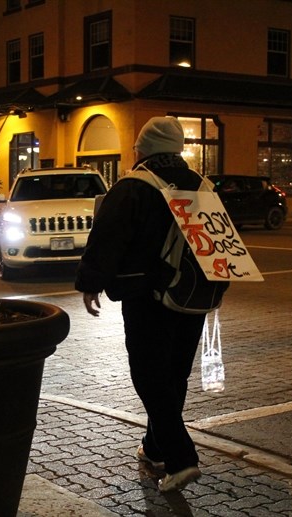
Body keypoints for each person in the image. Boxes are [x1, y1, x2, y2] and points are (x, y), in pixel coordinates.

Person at [76, 117, 206, 492]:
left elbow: (107, 238)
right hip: (192, 297)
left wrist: (90, 283)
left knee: (149, 376)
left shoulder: (134, 186)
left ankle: (181, 459)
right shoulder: (202, 185)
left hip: (146, 296)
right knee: (173, 375)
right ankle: (154, 447)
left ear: (143, 148)